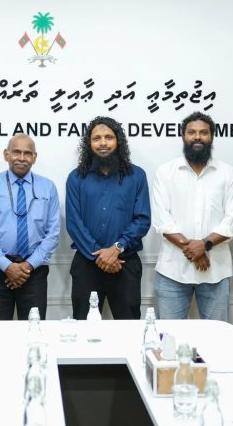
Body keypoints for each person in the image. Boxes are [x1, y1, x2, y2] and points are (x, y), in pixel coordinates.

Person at [152, 112, 233, 321]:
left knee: (215, 336)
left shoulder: (228, 174)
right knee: (169, 335)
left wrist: (204, 245)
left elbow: (232, 221)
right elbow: (162, 220)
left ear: (212, 137)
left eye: (203, 133)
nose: (197, 137)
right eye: (192, 132)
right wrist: (196, 249)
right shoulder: (165, 172)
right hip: (172, 271)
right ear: (183, 136)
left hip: (215, 272)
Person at [66, 116, 151, 320]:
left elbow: (142, 219)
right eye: (96, 138)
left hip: (125, 262)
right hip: (87, 264)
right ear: (89, 144)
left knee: (129, 326)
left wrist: (117, 248)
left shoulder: (137, 176)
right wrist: (100, 255)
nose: (103, 143)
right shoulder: (76, 177)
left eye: (108, 137)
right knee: (83, 325)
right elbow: (74, 223)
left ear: (118, 141)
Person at [0, 134, 60, 319]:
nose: (22, 158)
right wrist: (7, 267)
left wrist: (28, 266)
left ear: (34, 158)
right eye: (16, 152)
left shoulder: (48, 187)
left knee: (33, 329)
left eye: (27, 153)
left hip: (34, 271)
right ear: (6, 154)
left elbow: (53, 233)